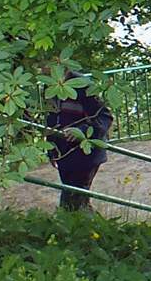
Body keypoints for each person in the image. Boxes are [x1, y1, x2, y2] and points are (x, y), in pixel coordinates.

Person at [44, 72, 114, 212]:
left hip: (87, 153)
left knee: (75, 198)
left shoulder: (83, 85)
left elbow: (104, 118)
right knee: (72, 198)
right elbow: (51, 119)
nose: (40, 69)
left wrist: (82, 131)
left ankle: (84, 228)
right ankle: (83, 227)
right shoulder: (49, 86)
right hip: (64, 152)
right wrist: (51, 148)